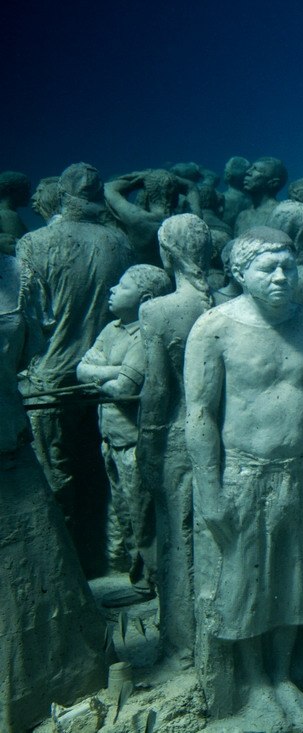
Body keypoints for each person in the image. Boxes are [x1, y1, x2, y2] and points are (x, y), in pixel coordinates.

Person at [186, 228, 303, 727]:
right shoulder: (214, 328)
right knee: (245, 584)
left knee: (297, 581)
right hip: (243, 475)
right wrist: (208, 489)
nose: (280, 277)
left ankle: (281, 675)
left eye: (288, 267)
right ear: (239, 273)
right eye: (267, 268)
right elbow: (201, 415)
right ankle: (254, 682)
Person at [0, 251, 106, 732]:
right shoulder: (14, 275)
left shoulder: (17, 273)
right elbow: (28, 350)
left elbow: (31, 350)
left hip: (13, 454)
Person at [17, 162, 133, 575]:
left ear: (63, 195)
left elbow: (33, 318)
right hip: (106, 373)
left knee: (58, 479)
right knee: (105, 477)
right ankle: (109, 564)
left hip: (53, 375)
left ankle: (68, 574)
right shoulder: (118, 242)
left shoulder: (34, 243)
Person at [137, 213, 214, 665]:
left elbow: (158, 391)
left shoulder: (158, 311)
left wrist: (148, 447)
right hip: (223, 438)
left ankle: (182, 644)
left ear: (167, 254)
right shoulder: (228, 303)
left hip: (178, 440)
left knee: (177, 541)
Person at [77, 264, 172, 600]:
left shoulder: (145, 334)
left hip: (134, 441)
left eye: (123, 285)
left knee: (143, 514)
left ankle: (153, 579)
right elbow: (81, 368)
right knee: (125, 510)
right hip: (111, 438)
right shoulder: (111, 329)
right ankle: (139, 572)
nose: (113, 290)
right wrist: (114, 372)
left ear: (145, 298)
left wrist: (102, 377)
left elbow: (124, 390)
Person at [234, 157, 287, 235]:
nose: (248, 172)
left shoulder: (281, 215)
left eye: (256, 169)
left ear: (273, 183)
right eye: (251, 168)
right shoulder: (242, 216)